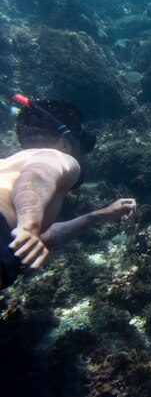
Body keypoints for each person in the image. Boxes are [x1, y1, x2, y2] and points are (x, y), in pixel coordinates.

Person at [0, 95, 136, 290]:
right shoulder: (56, 156)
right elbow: (37, 174)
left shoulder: (8, 166)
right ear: (65, 142)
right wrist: (28, 225)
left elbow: (40, 237)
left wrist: (98, 216)